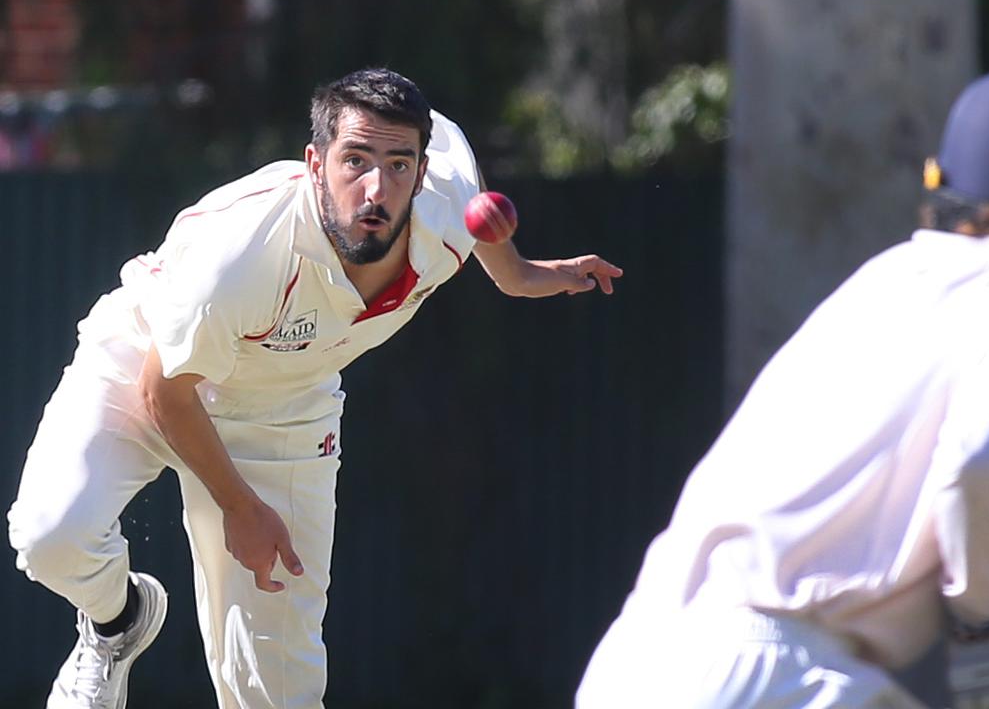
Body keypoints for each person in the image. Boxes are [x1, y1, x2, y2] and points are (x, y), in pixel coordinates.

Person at [7, 67, 622, 709]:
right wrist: (240, 508)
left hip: (283, 411)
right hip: (149, 360)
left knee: (275, 692)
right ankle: (118, 620)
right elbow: (167, 393)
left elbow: (476, 216)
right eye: (354, 161)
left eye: (398, 164)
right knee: (53, 537)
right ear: (314, 163)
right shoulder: (243, 256)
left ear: (421, 168)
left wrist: (523, 274)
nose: (376, 188)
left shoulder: (444, 200)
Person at [576, 65, 989, 708]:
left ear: (940, 185)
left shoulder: (887, 278)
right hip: (776, 680)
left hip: (637, 666)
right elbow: (982, 461)